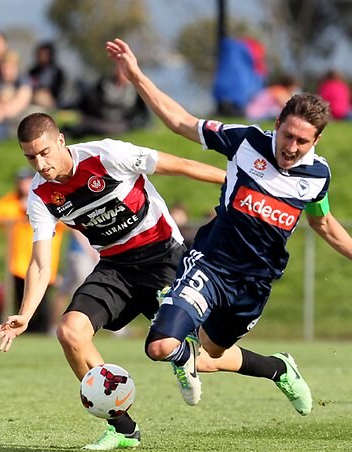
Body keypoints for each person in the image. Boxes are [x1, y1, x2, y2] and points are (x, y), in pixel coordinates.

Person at [106, 38, 352, 416]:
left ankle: (279, 368)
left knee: (208, 357)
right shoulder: (245, 141)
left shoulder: (317, 176)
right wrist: (137, 75)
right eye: (287, 135)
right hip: (210, 265)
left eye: (302, 141)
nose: (291, 146)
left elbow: (324, 223)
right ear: (276, 125)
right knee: (160, 345)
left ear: (316, 141)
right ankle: (180, 340)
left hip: (254, 283)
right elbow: (180, 122)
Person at [0, 112, 226, 451]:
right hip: (115, 265)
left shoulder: (106, 155)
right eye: (30, 157)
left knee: (207, 352)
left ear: (60, 141)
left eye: (44, 152)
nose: (40, 163)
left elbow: (178, 165)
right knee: (70, 332)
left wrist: (236, 184)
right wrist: (25, 314)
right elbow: (41, 264)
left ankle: (276, 368)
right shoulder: (41, 195)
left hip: (163, 256)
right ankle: (123, 428)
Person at [0, 167, 64, 333]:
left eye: (26, 181)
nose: (23, 185)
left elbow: (65, 222)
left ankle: (43, 331)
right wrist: (20, 207)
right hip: (18, 263)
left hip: (44, 261)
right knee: (20, 300)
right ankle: (25, 331)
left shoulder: (46, 198)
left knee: (42, 301)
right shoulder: (12, 202)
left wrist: (32, 208)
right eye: (20, 182)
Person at [68, 65, 150, 138]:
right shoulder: (104, 84)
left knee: (101, 127)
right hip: (101, 118)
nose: (122, 74)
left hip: (122, 122)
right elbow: (90, 101)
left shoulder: (135, 90)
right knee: (90, 124)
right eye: (120, 70)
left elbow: (142, 114)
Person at [0, 50, 33, 146]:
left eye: (8, 68)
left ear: (15, 67)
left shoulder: (23, 81)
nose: (5, 71)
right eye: (2, 68)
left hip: (12, 124)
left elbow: (18, 105)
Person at [28, 41, 66, 110]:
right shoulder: (33, 71)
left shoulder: (57, 71)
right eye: (40, 53)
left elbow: (58, 90)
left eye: (45, 53)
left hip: (51, 103)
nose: (42, 56)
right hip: (32, 98)